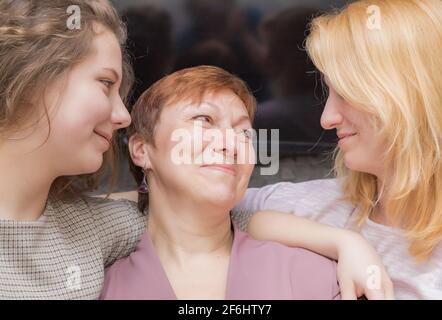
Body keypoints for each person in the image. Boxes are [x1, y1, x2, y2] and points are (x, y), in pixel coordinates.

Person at [101, 66, 393, 300]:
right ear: (142, 150)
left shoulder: (319, 278)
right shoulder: (94, 282)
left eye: (243, 132)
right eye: (204, 119)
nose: (231, 142)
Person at [232, 0, 442, 299]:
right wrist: (343, 241)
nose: (326, 119)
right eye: (329, 92)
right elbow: (172, 208)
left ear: (409, 96)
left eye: (345, 93)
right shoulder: (310, 205)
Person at [0, 0, 146, 299]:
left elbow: (214, 217)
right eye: (106, 83)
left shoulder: (93, 227)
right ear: (31, 76)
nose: (124, 116)